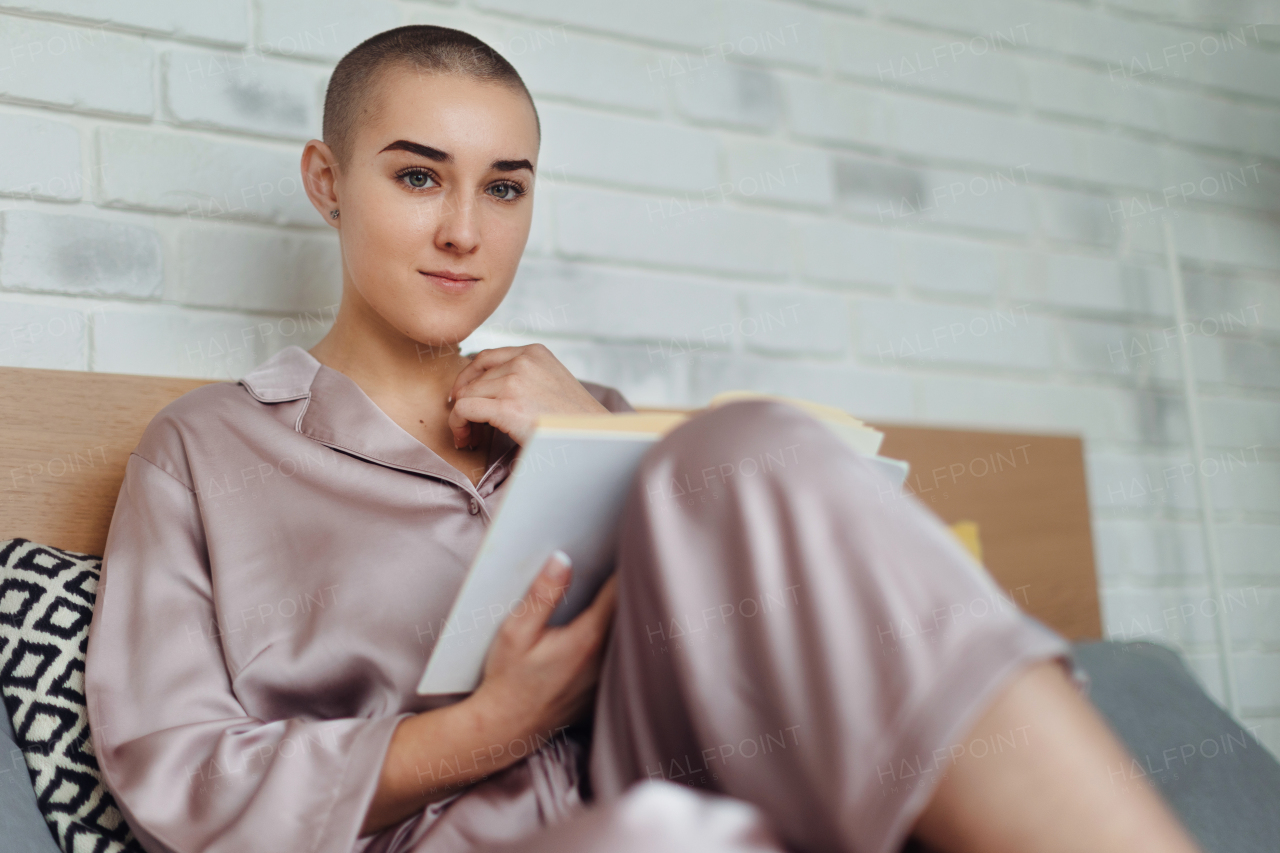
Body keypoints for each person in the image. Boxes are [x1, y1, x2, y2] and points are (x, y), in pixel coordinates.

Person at [84, 25, 1202, 853]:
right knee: (659, 838)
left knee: (745, 445)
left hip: (719, 787)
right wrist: (486, 729)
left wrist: (597, 433)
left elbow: (759, 645)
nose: (464, 230)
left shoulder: (588, 410)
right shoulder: (205, 450)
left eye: (504, 187)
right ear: (328, 182)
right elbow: (170, 774)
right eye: (418, 175)